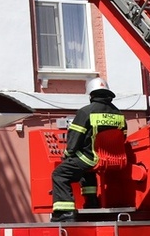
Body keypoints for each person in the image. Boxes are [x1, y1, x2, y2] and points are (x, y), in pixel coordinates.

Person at [50, 77, 127, 222]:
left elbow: (74, 138)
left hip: (90, 158)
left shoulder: (86, 112)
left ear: (91, 94)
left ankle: (65, 213)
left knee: (59, 174)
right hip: (112, 159)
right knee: (85, 171)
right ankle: (92, 202)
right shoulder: (119, 115)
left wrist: (67, 155)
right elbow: (122, 138)